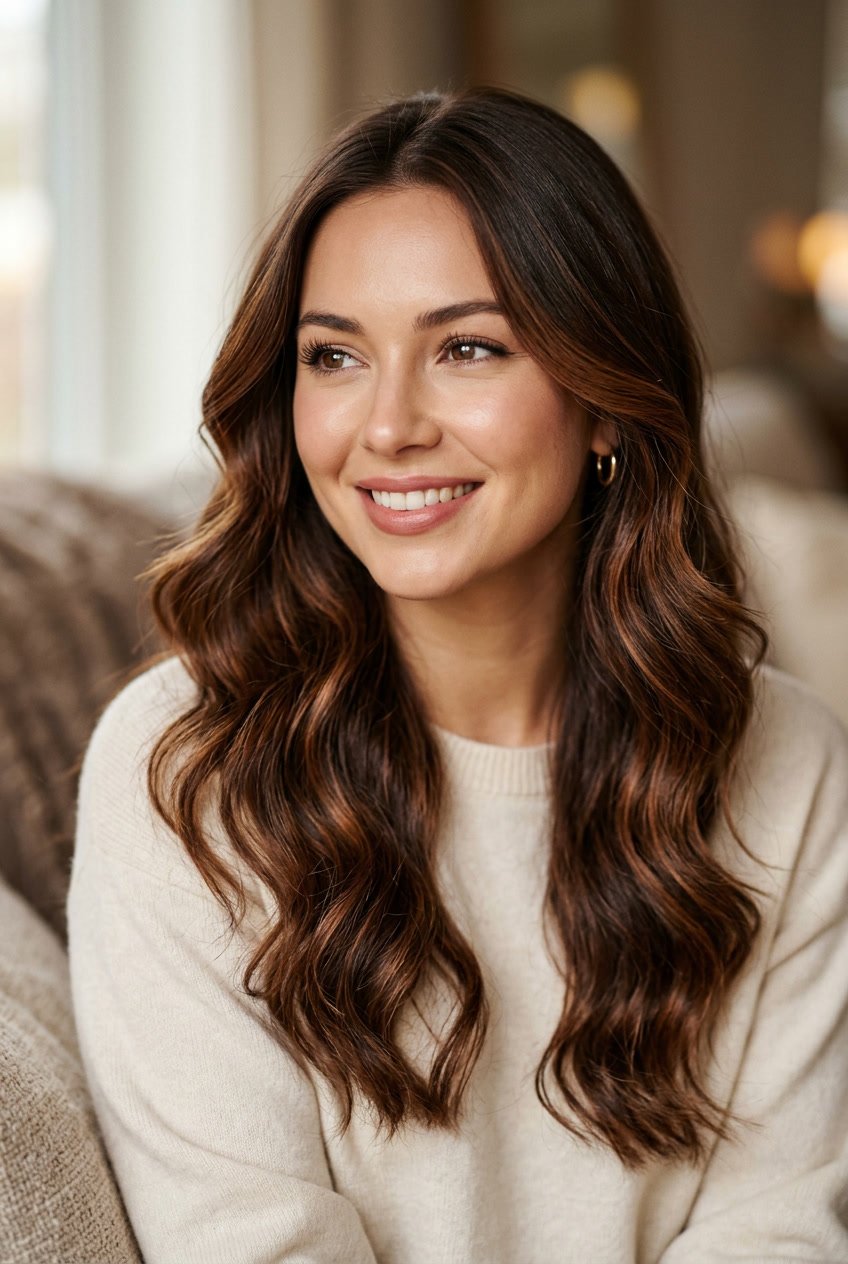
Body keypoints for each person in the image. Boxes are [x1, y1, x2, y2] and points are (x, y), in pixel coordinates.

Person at [67, 86, 848, 1263]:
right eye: (334, 356)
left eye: (466, 348)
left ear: (603, 400)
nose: (386, 426)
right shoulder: (182, 771)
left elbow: (777, 1232)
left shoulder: (791, 769)